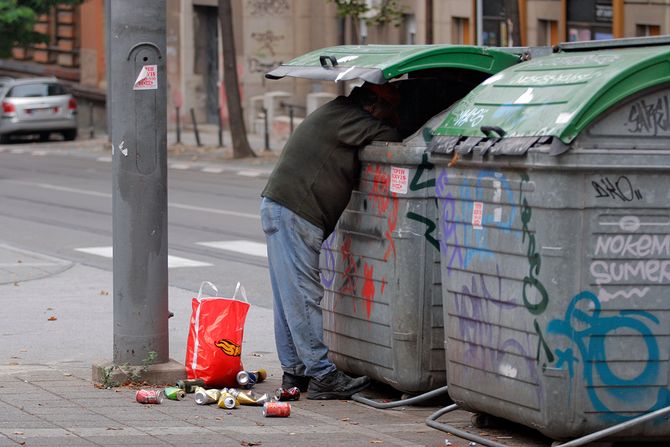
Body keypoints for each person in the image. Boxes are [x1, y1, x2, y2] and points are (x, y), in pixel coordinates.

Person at [260, 82, 401, 400]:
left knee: (288, 299)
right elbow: (394, 141)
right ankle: (323, 376)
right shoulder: (348, 119)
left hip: (281, 208)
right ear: (374, 106)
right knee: (302, 296)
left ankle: (296, 372)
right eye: (388, 111)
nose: (389, 118)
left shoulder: (336, 112)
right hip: (295, 212)